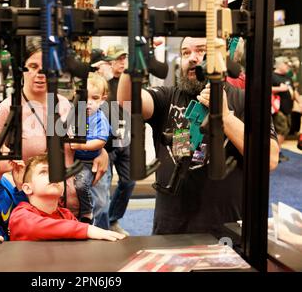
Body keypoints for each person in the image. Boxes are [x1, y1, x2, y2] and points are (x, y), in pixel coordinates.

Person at [117, 37, 280, 238]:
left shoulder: (246, 101)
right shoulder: (168, 97)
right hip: (169, 231)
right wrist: (132, 63)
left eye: (201, 50)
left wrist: (226, 117)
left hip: (226, 235)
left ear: (222, 57)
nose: (192, 58)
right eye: (186, 52)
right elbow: (127, 102)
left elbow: (270, 160)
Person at [0, 37, 109, 216]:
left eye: (46, 67)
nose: (40, 73)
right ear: (22, 69)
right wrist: (11, 165)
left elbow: (83, 141)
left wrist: (101, 153)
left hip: (71, 206)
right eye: (33, 67)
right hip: (32, 209)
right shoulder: (9, 108)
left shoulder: (67, 105)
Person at [8, 154, 126, 242]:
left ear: (63, 189)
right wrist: (87, 229)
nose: (54, 176)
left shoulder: (66, 214)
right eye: (44, 172)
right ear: (27, 188)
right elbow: (35, 227)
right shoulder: (20, 214)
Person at [103, 44, 136, 237]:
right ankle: (102, 224)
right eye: (119, 59)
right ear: (111, 63)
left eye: (125, 59)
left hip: (126, 139)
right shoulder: (103, 84)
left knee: (129, 181)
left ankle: (112, 218)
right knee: (103, 186)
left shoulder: (132, 83)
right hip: (106, 142)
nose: (123, 63)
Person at [70, 74, 110, 223]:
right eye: (85, 98)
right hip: (73, 160)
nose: (89, 103)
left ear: (103, 99)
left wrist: (81, 145)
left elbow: (100, 141)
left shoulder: (99, 118)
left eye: (95, 98)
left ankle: (87, 212)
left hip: (89, 162)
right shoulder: (72, 113)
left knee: (90, 192)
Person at [272, 56, 295, 162]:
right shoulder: (272, 76)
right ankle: (276, 153)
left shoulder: (287, 77)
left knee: (285, 131)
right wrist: (279, 89)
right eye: (286, 64)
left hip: (288, 109)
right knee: (280, 131)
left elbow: (294, 92)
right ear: (280, 64)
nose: (288, 67)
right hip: (278, 110)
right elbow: (264, 88)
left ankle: (277, 152)